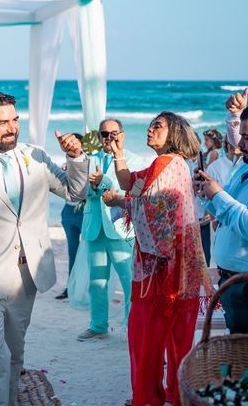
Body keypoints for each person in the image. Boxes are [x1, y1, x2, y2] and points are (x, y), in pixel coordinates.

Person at [0, 91, 89, 406]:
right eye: (1, 123)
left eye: (14, 120)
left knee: (13, 353)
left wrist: (76, 158)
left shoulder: (35, 155)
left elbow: (75, 192)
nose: (11, 128)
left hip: (27, 275)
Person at [102, 111, 211, 406]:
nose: (150, 129)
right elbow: (131, 185)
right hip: (176, 268)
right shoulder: (165, 165)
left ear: (173, 133)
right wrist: (118, 154)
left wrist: (117, 202)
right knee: (175, 341)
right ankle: (175, 396)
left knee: (146, 340)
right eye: (150, 125)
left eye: (158, 126)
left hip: (161, 273)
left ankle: (149, 398)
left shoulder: (166, 164)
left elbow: (150, 209)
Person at [77, 119, 142, 341]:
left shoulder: (134, 160)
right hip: (95, 228)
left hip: (121, 229)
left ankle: (133, 327)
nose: (109, 138)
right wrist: (93, 187)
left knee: (129, 282)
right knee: (97, 281)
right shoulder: (90, 160)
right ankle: (97, 325)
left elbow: (134, 193)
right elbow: (81, 193)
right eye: (104, 134)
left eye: (114, 133)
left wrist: (103, 183)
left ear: (122, 134)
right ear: (99, 136)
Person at [195, 89, 248, 334]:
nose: (239, 145)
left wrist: (218, 194)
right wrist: (207, 193)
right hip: (231, 283)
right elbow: (225, 214)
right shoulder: (244, 169)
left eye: (247, 138)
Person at [56, 133, 85, 300]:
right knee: (72, 251)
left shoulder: (86, 165)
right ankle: (70, 288)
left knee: (87, 252)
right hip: (68, 213)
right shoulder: (64, 165)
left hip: (84, 213)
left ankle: (84, 288)